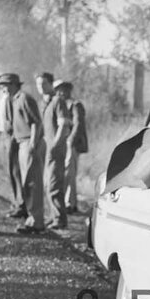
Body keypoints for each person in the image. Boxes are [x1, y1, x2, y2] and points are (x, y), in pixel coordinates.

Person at [0, 72, 45, 233]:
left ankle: (36, 222)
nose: (3, 88)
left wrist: (32, 144)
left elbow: (36, 122)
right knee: (26, 183)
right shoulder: (14, 100)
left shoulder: (24, 98)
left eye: (5, 85)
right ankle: (32, 219)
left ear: (13, 85)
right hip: (20, 143)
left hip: (28, 143)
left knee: (32, 183)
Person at [0, 64, 25, 219]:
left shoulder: (10, 97)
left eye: (0, 80)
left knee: (14, 171)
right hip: (2, 136)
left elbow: (11, 120)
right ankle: (15, 203)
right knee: (9, 172)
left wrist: (9, 134)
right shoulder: (2, 95)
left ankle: (20, 204)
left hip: (9, 136)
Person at [43, 78, 72, 230]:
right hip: (49, 149)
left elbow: (63, 125)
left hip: (56, 149)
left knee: (54, 184)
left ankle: (60, 218)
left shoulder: (58, 102)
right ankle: (53, 216)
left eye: (44, 84)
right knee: (48, 183)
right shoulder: (48, 104)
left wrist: (55, 144)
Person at [55, 80, 87, 214]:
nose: (62, 92)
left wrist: (70, 141)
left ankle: (70, 203)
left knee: (70, 173)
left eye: (64, 89)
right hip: (63, 143)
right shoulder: (61, 104)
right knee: (65, 173)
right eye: (59, 90)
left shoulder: (75, 105)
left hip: (71, 144)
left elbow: (78, 124)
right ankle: (67, 202)